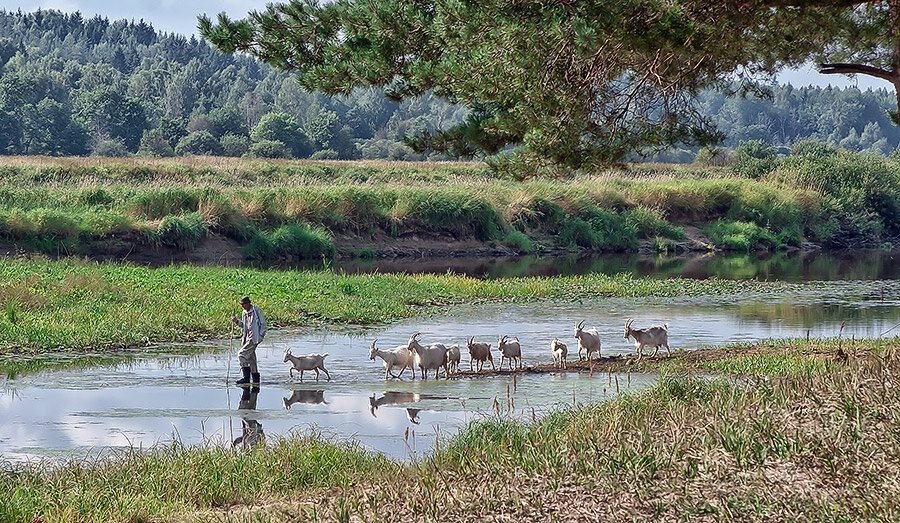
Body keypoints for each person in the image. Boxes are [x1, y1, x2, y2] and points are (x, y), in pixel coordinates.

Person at [231, 295, 267, 386]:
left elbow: (263, 325)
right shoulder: (244, 312)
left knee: (241, 355)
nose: (242, 306)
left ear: (248, 303)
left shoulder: (256, 310)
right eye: (241, 305)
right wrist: (236, 321)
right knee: (251, 360)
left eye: (243, 304)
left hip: (254, 338)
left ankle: (246, 378)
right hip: (247, 338)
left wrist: (260, 336)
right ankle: (256, 381)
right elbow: (244, 326)